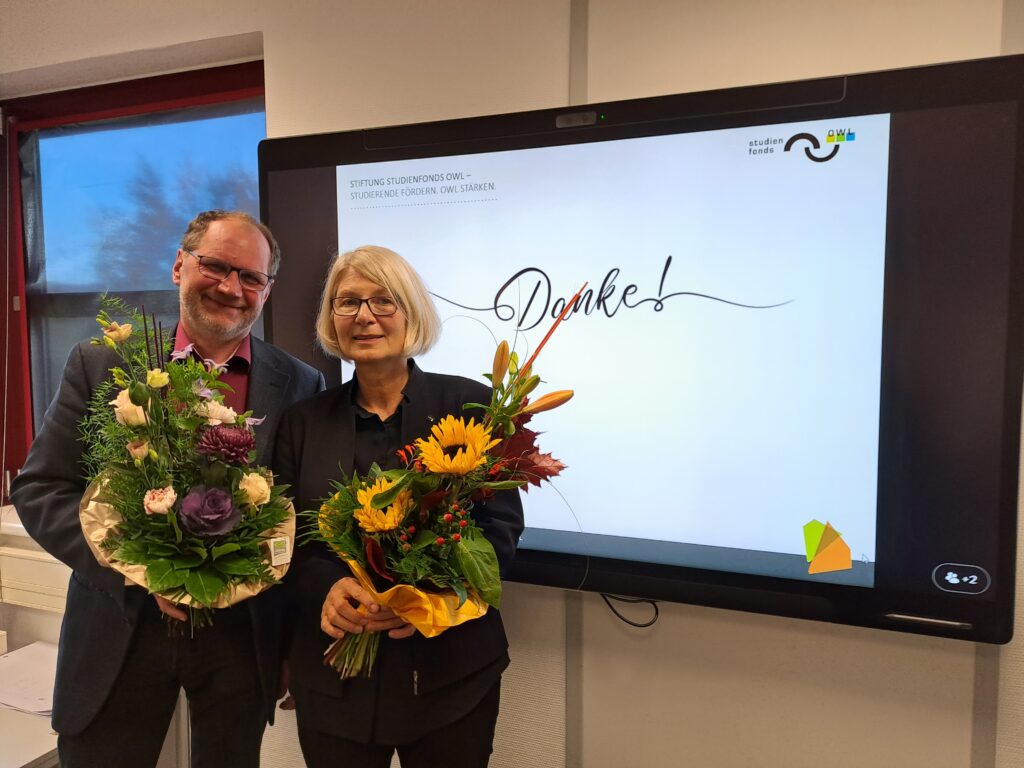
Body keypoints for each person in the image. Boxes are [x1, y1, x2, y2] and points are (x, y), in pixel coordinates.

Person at [10, 210, 325, 768]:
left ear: (267, 290)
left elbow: (303, 521)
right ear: (180, 265)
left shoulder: (301, 384)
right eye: (217, 266)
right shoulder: (104, 363)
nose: (232, 288)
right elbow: (41, 488)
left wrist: (297, 647)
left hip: (241, 641)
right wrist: (134, 568)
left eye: (250, 277)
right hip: (119, 629)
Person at [274, 245, 524, 768]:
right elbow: (283, 540)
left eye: (383, 300)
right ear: (332, 319)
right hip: (334, 683)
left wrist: (426, 594)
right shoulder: (301, 423)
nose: (364, 316)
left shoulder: (468, 406)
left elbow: (499, 531)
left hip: (450, 679)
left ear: (411, 312)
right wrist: (326, 588)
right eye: (347, 303)